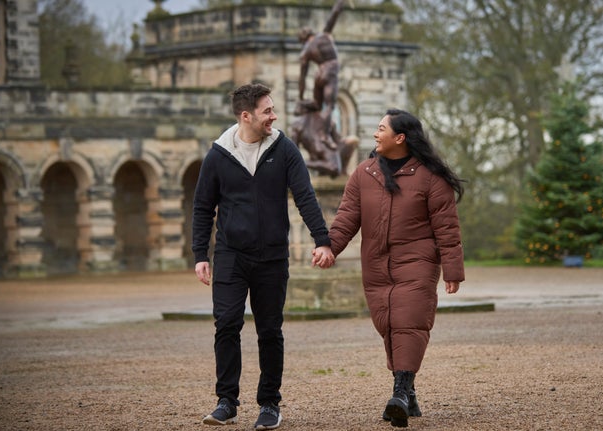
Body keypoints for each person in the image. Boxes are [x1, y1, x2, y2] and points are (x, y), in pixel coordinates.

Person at [193, 83, 335, 429]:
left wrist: (323, 240)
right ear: (246, 116)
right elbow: (202, 207)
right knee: (226, 323)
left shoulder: (284, 150)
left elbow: (305, 197)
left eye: (272, 109)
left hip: (272, 256)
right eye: (267, 110)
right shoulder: (218, 154)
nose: (274, 115)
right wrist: (200, 253)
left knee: (270, 330)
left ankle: (269, 404)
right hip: (229, 254)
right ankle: (226, 401)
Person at [312, 109, 465, 428]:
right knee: (389, 324)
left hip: (418, 262)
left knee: (409, 322)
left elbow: (447, 228)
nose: (374, 134)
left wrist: (452, 269)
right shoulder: (363, 174)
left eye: (381, 129)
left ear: (400, 138)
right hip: (376, 266)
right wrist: (329, 247)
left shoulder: (431, 177)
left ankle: (398, 392)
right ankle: (408, 391)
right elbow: (346, 219)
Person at [298, 0, 347, 143]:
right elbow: (334, 13)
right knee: (329, 106)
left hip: (319, 74)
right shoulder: (324, 35)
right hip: (330, 69)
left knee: (317, 105)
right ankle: (323, 135)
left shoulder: (305, 53)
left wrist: (301, 96)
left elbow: (302, 78)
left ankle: (303, 107)